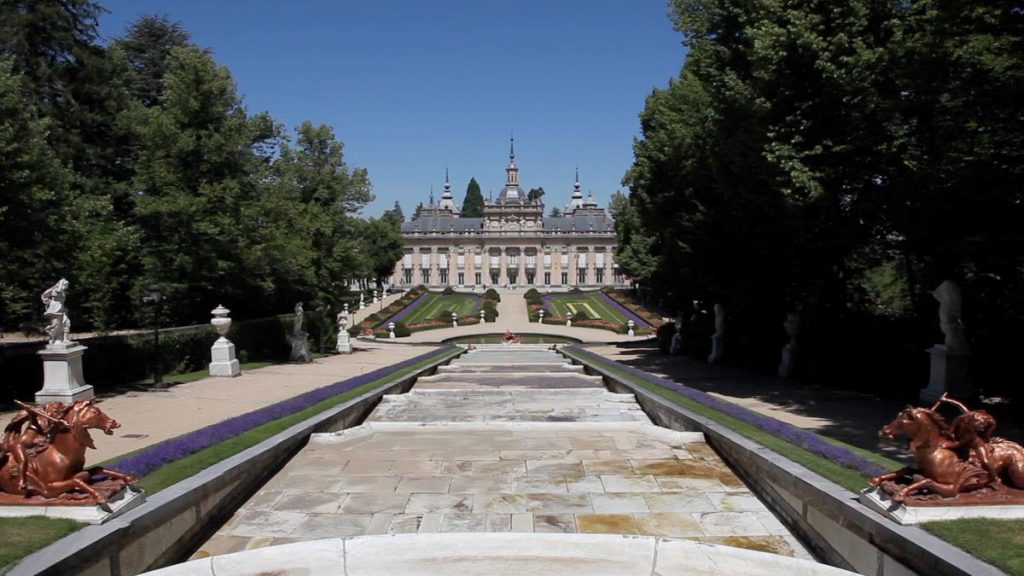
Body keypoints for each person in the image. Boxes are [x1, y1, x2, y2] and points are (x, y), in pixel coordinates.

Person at [1, 402, 69, 492]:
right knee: (23, 460)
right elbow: (32, 418)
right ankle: (22, 481)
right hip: (19, 444)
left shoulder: (47, 423)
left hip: (32, 444)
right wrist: (31, 411)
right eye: (55, 410)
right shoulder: (35, 421)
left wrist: (60, 424)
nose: (56, 413)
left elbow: (48, 432)